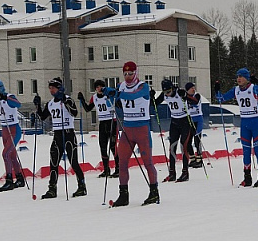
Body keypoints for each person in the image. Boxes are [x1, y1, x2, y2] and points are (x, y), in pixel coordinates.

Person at [108, 61, 159, 206]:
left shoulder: (143, 86)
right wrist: (108, 94)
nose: (128, 77)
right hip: (127, 129)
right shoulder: (121, 86)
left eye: (131, 74)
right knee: (122, 162)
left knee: (147, 162)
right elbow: (110, 103)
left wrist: (118, 93)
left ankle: (154, 192)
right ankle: (123, 195)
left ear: (136, 73)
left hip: (142, 129)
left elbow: (133, 97)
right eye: (125, 74)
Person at [33, 77, 87, 199]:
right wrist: (38, 106)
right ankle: (52, 189)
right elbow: (42, 117)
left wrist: (65, 101)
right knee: (54, 162)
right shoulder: (50, 103)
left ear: (59, 88)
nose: (51, 90)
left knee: (73, 162)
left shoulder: (68, 100)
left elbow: (74, 113)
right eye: (50, 88)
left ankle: (82, 186)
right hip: (57, 134)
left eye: (53, 88)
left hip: (68, 134)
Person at [216, 68, 258, 188]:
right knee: (245, 151)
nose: (238, 79)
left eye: (241, 76)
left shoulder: (253, 88)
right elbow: (221, 99)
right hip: (244, 122)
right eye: (237, 76)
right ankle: (247, 177)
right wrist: (217, 90)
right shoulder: (236, 90)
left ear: (247, 78)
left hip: (255, 121)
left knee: (257, 150)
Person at [78, 79, 118, 178]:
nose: (99, 89)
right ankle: (106, 169)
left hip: (112, 122)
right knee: (103, 147)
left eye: (101, 87)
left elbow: (116, 97)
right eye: (97, 87)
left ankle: (118, 169)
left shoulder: (108, 95)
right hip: (102, 123)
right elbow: (88, 109)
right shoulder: (94, 97)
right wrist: (82, 100)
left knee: (113, 147)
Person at [155, 79, 192, 182]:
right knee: (172, 147)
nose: (168, 94)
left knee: (183, 146)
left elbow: (193, 100)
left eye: (169, 91)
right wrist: (150, 97)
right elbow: (154, 104)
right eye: (165, 92)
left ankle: (185, 173)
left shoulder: (179, 92)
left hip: (185, 121)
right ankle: (172, 173)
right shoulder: (165, 95)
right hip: (174, 122)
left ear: (173, 88)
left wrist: (185, 95)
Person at [184, 82, 205, 169]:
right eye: (191, 88)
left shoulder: (197, 95)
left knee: (197, 140)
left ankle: (199, 159)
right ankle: (192, 158)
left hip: (198, 120)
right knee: (188, 141)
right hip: (189, 120)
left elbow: (195, 102)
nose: (193, 89)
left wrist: (185, 97)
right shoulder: (185, 97)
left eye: (194, 87)